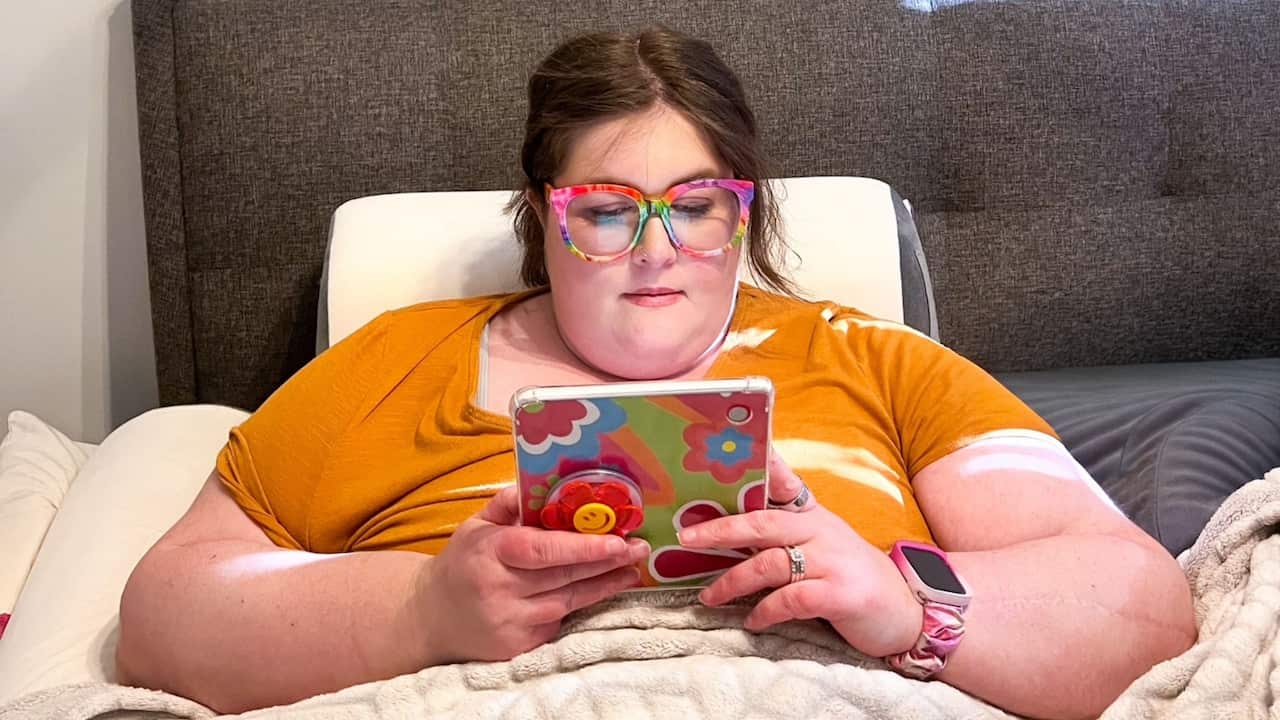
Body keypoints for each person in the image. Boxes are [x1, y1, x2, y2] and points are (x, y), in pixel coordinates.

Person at [115, 27, 1196, 719]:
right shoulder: (390, 361)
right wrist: (416, 611)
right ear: (543, 219)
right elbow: (164, 615)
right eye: (603, 212)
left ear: (742, 214)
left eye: (692, 206)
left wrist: (901, 598)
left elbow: (1137, 605)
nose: (653, 249)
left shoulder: (879, 361)